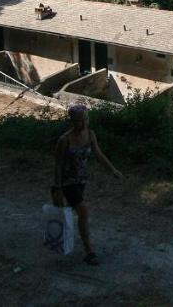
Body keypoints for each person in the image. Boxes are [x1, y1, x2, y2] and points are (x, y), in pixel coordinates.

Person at [51, 103, 122, 265]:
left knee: (74, 213)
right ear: (72, 121)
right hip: (67, 182)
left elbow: (98, 154)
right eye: (77, 121)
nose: (81, 124)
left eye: (83, 120)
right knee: (83, 212)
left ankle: (66, 239)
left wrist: (113, 170)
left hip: (81, 180)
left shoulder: (90, 135)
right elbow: (58, 165)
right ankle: (89, 251)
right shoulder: (64, 140)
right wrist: (57, 188)